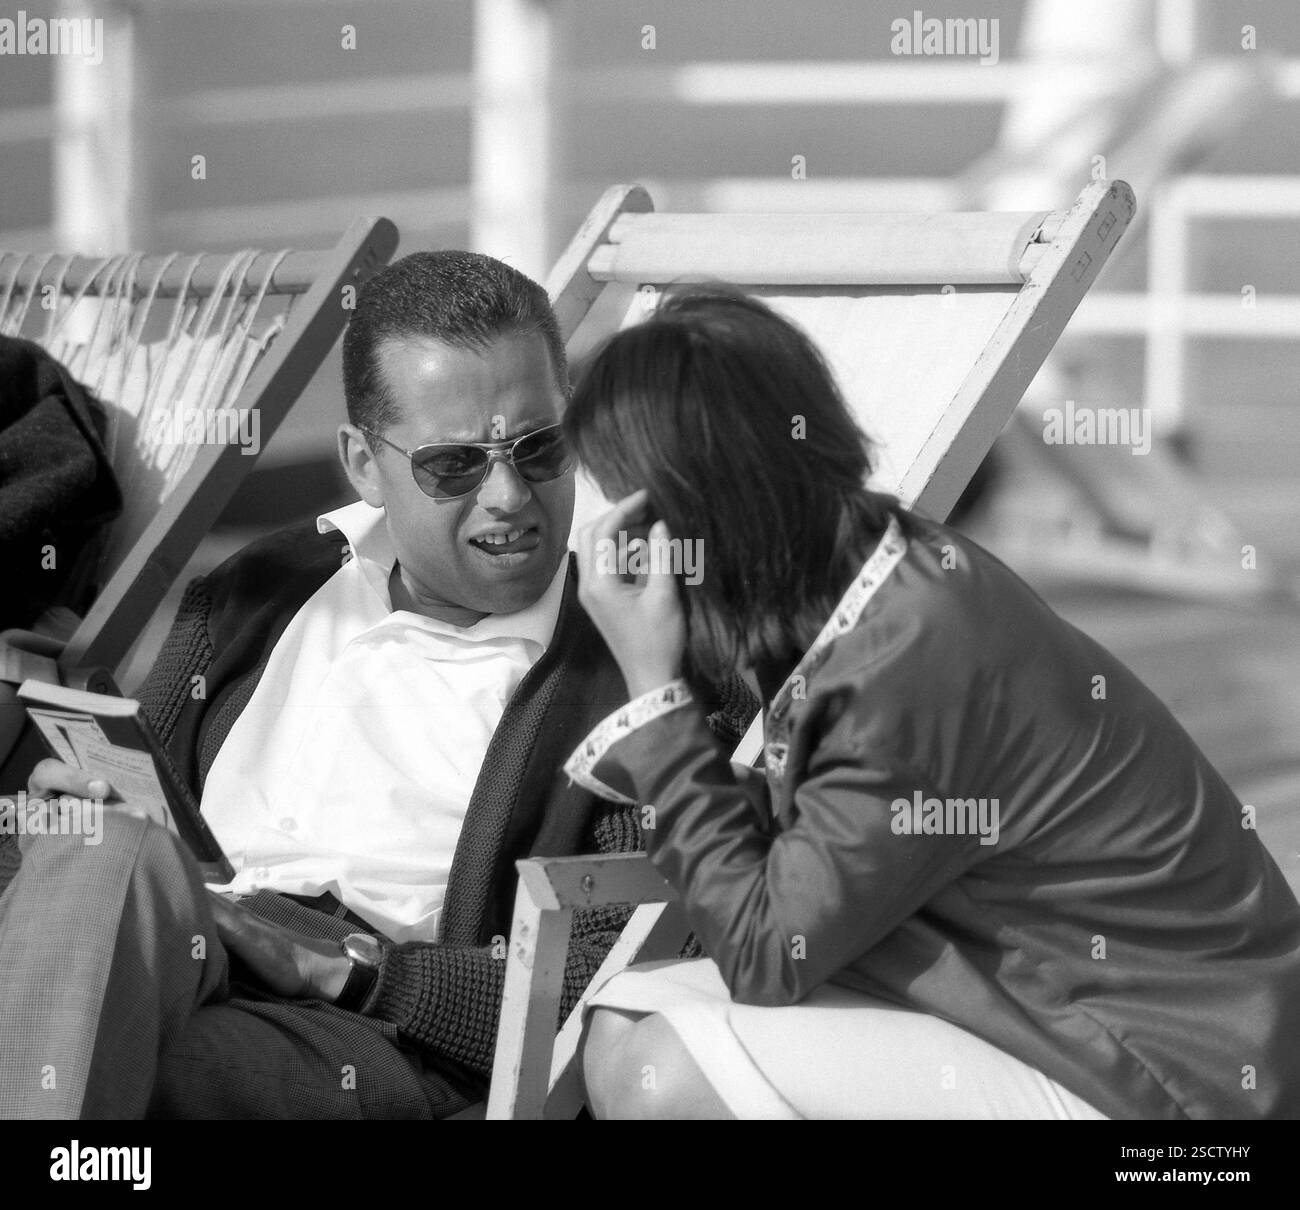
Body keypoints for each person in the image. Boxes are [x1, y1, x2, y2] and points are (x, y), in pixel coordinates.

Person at [0, 252, 753, 1119]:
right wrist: (60, 811)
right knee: (100, 846)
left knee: (128, 1065)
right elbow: (148, 826)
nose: (509, 495)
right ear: (364, 462)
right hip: (179, 944)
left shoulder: (645, 665)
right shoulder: (262, 590)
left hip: (369, 1035)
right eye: (454, 465)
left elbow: (610, 984)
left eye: (540, 448)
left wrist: (348, 967)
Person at [563, 285, 1300, 1120]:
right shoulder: (877, 570)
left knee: (661, 1072)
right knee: (624, 1022)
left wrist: (656, 701)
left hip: (1170, 1087)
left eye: (626, 502)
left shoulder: (902, 660)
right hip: (1097, 1021)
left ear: (689, 512)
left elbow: (770, 950)